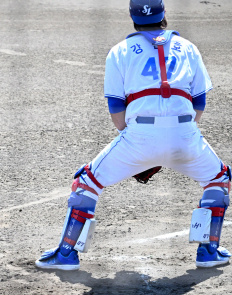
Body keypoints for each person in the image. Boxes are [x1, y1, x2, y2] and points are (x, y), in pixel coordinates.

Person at [36, 0, 228, 270]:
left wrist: (143, 151)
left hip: (139, 135)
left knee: (86, 182)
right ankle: (208, 250)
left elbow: (117, 112)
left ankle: (66, 254)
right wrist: (177, 139)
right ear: (164, 14)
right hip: (186, 134)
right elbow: (199, 103)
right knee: (219, 178)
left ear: (132, 16)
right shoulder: (188, 48)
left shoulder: (119, 51)